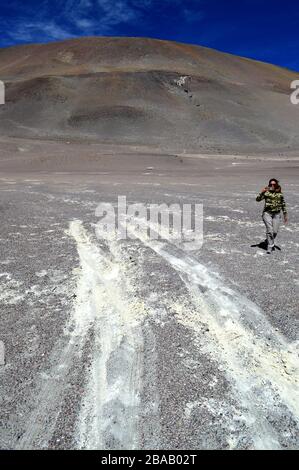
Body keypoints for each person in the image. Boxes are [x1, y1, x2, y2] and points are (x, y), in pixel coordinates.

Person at [256, 178, 288, 254]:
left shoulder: (280, 194)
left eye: (274, 184)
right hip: (267, 214)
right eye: (271, 184)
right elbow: (257, 199)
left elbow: (283, 204)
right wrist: (262, 192)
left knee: (275, 231)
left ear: (276, 184)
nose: (272, 185)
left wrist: (285, 214)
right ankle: (270, 246)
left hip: (276, 215)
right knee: (269, 230)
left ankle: (269, 241)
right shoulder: (266, 192)